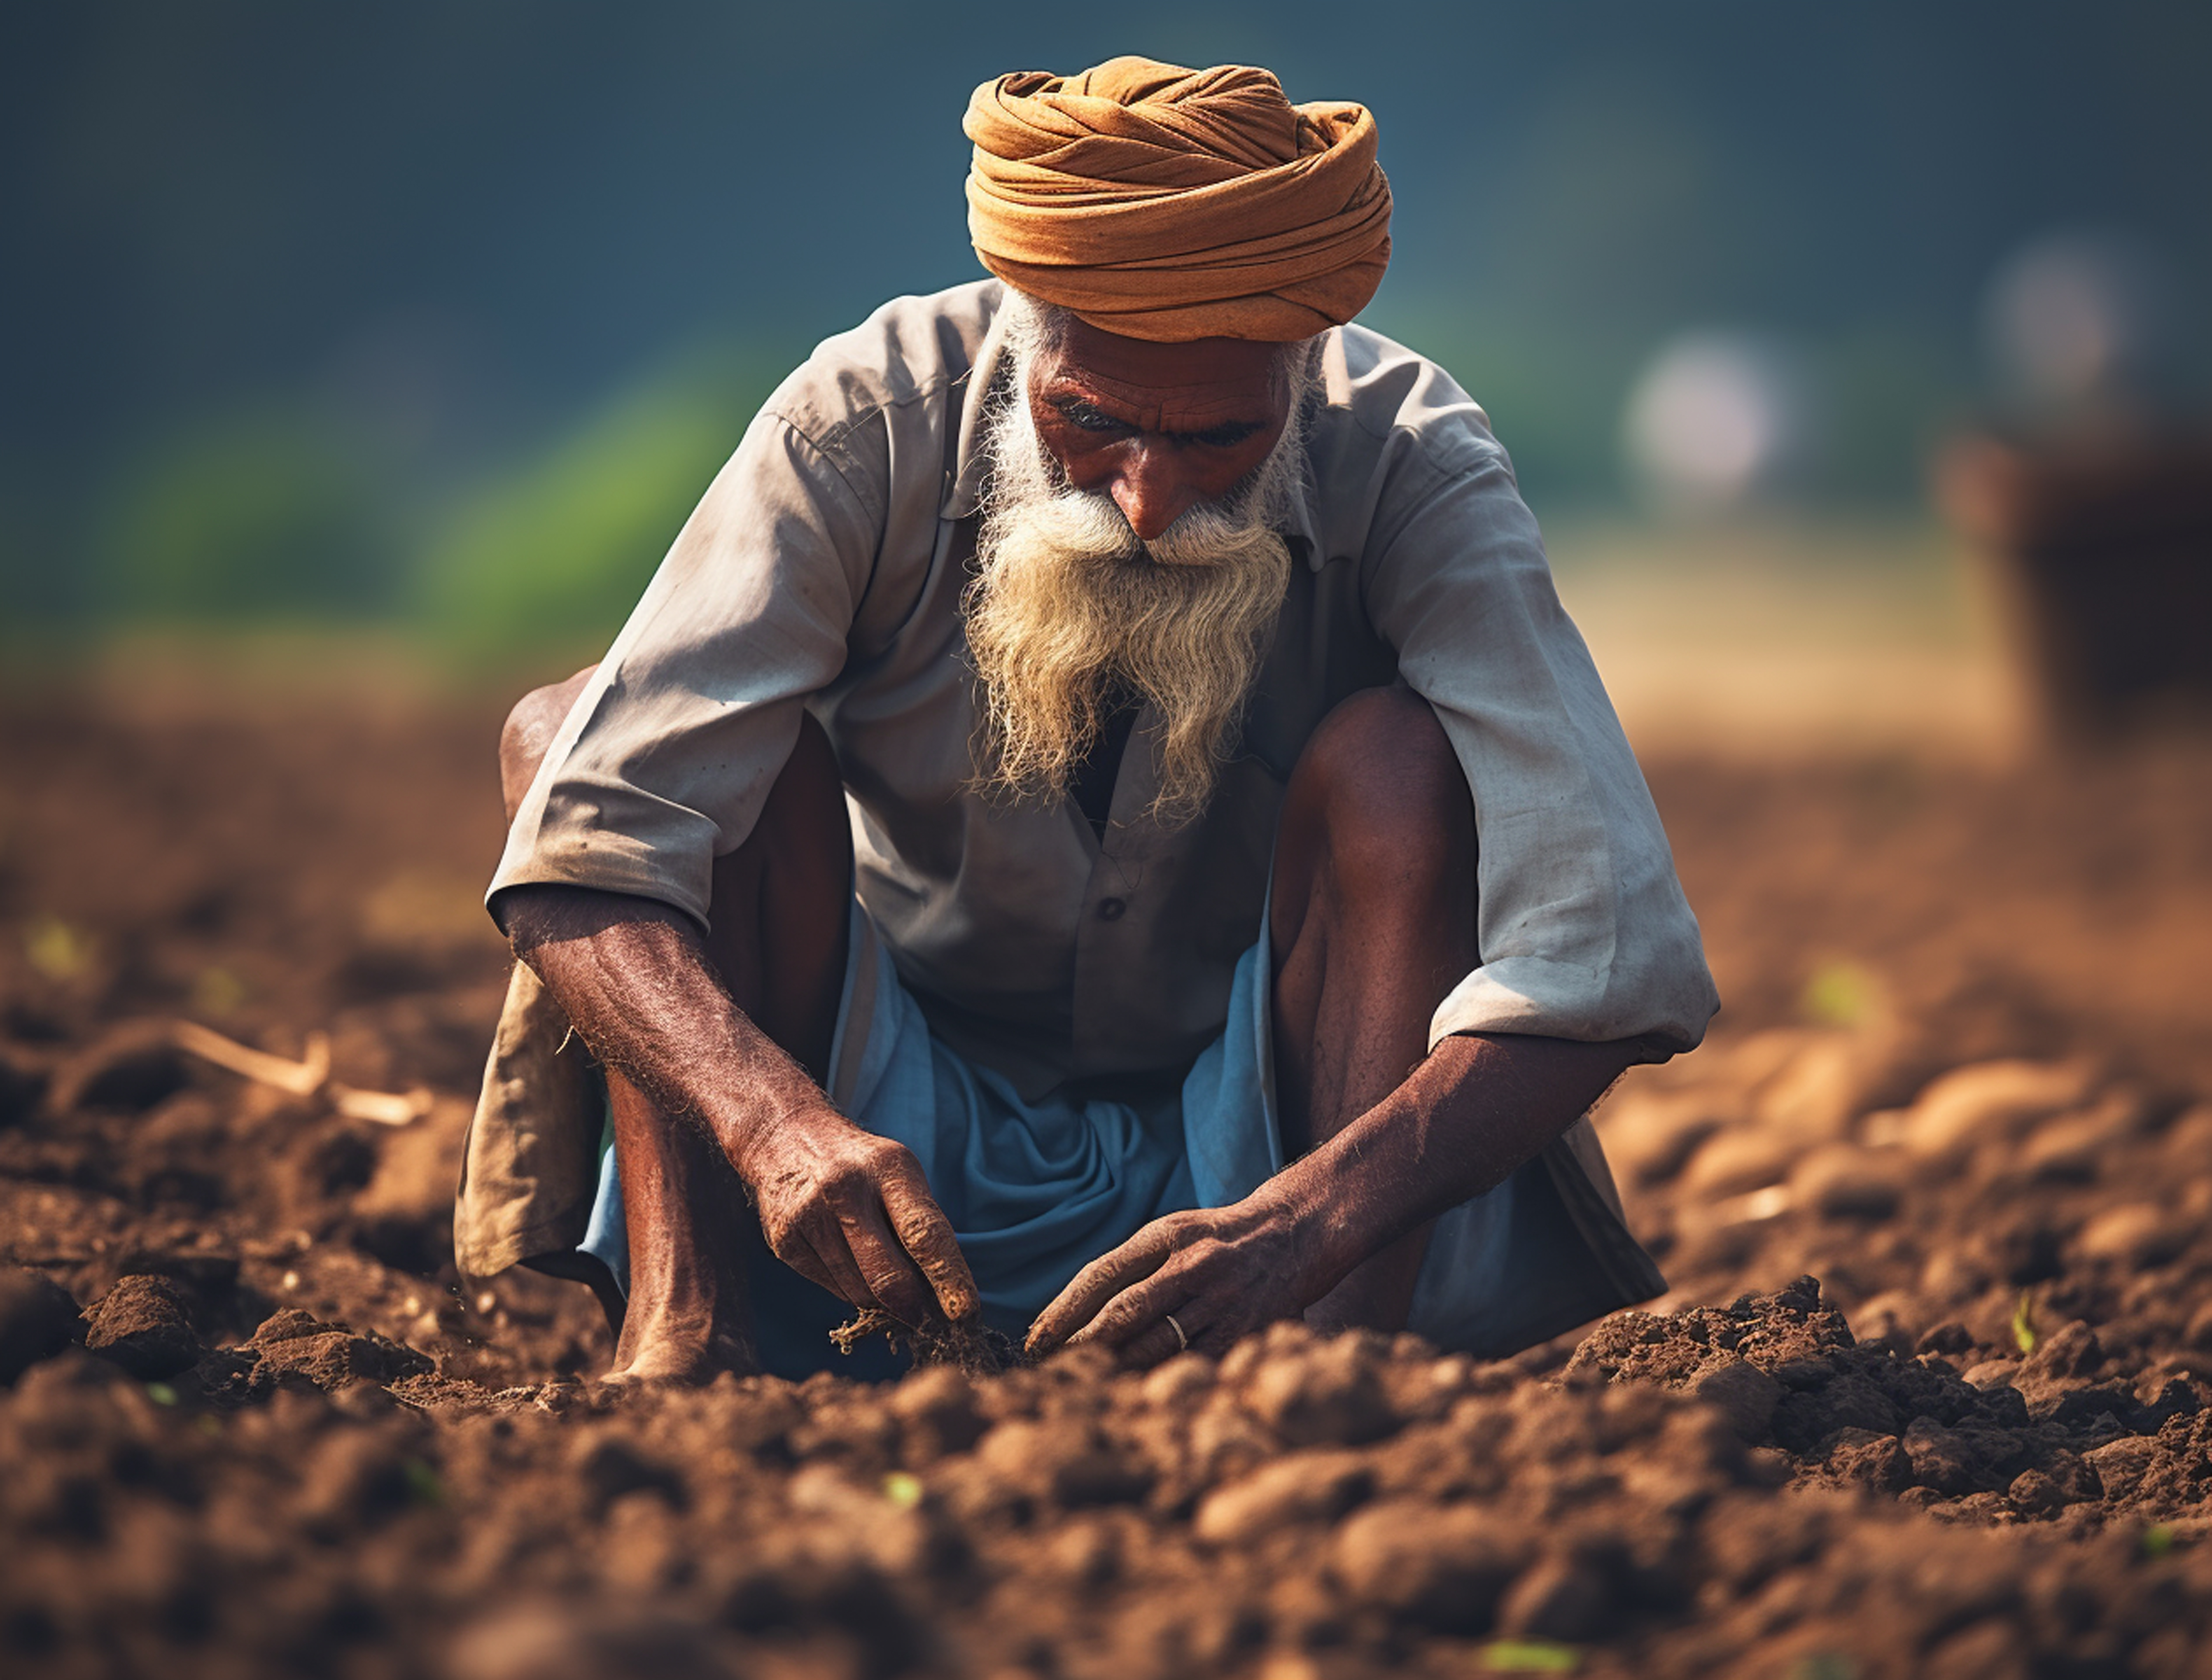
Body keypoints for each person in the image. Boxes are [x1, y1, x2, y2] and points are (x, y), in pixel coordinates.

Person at [454, 57, 1719, 1383]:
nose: (1150, 503)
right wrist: (773, 1127)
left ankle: (1345, 1378)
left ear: (1298, 374)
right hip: (880, 1132)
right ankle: (689, 1337)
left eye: (1220, 440)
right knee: (581, 737)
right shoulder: (863, 419)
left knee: (1400, 765)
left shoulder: (1405, 457)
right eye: (1094, 425)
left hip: (1274, 1145)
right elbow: (588, 828)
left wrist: (1310, 1223)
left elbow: (1614, 948)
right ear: (1023, 339)